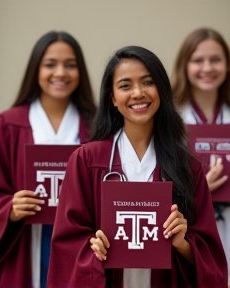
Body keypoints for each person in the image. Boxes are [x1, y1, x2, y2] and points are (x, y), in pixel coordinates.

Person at [48, 46, 227, 288]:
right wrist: (93, 251)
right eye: (125, 86)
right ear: (112, 98)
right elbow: (67, 246)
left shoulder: (188, 167)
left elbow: (211, 262)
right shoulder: (86, 161)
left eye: (147, 82)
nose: (138, 93)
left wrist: (183, 243)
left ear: (161, 90)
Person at [0, 31, 96, 288]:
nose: (60, 73)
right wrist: (10, 209)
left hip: (79, 242)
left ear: (80, 71)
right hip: (25, 243)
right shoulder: (8, 124)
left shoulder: (95, 126)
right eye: (50, 64)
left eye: (70, 65)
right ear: (36, 69)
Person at [172, 27, 230, 285]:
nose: (207, 67)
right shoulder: (170, 118)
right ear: (184, 65)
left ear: (227, 65)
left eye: (215, 59)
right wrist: (198, 188)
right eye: (198, 60)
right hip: (193, 227)